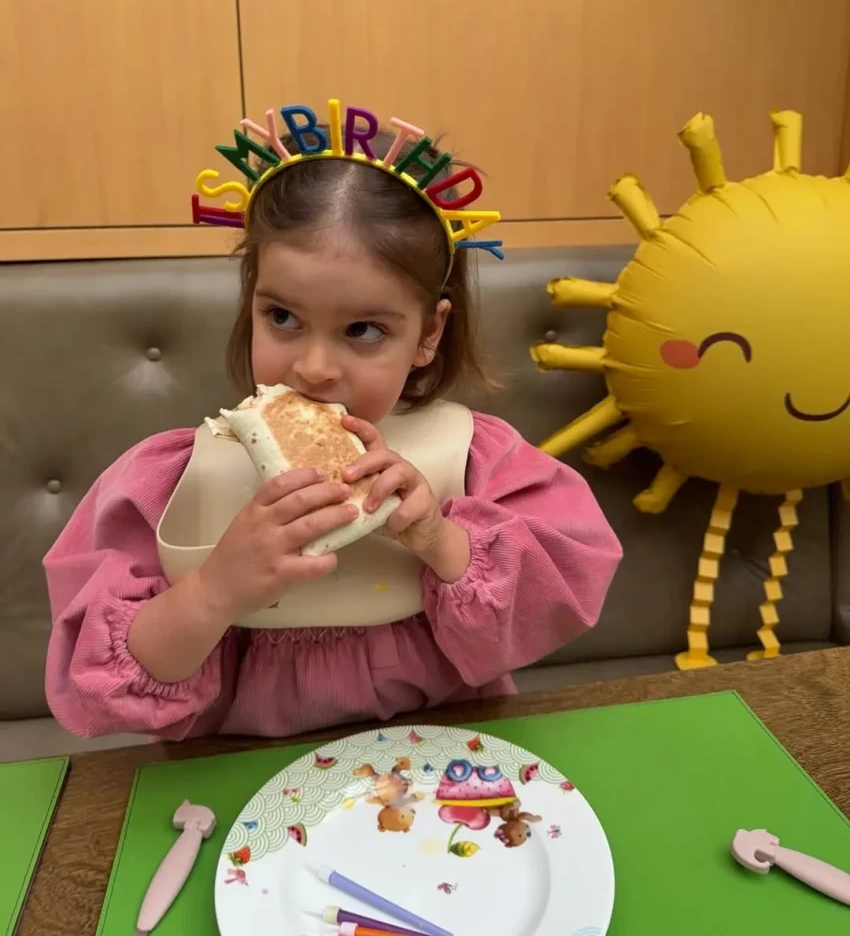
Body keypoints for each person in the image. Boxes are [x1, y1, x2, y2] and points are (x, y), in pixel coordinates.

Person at [44, 101, 622, 742]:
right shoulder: (169, 481)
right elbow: (102, 687)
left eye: (364, 330)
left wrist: (437, 537)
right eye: (282, 318)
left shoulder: (476, 457)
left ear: (429, 334)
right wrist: (213, 591)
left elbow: (556, 599)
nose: (314, 368)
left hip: (439, 756)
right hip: (243, 767)